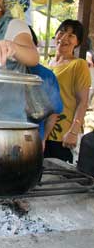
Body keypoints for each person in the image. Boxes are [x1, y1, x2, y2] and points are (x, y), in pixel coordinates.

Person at [47, 20, 91, 163]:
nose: (64, 37)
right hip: (41, 133)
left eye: (71, 35)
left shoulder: (78, 65)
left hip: (62, 136)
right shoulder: (46, 64)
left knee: (56, 178)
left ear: (77, 42)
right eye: (62, 31)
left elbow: (83, 101)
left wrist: (73, 131)